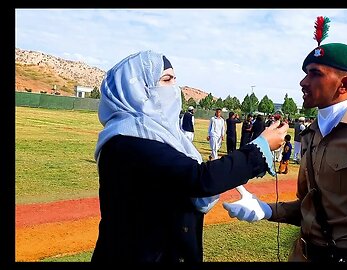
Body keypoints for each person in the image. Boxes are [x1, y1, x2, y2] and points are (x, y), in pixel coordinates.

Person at [223, 16, 347, 262]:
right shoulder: (311, 134)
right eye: (305, 73)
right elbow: (310, 206)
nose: (303, 82)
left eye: (314, 74)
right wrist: (266, 209)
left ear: (344, 84)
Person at [90, 50, 289, 263]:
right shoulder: (127, 141)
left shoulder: (162, 135)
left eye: (175, 79)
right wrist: (260, 148)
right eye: (166, 79)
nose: (174, 88)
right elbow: (198, 178)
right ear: (137, 90)